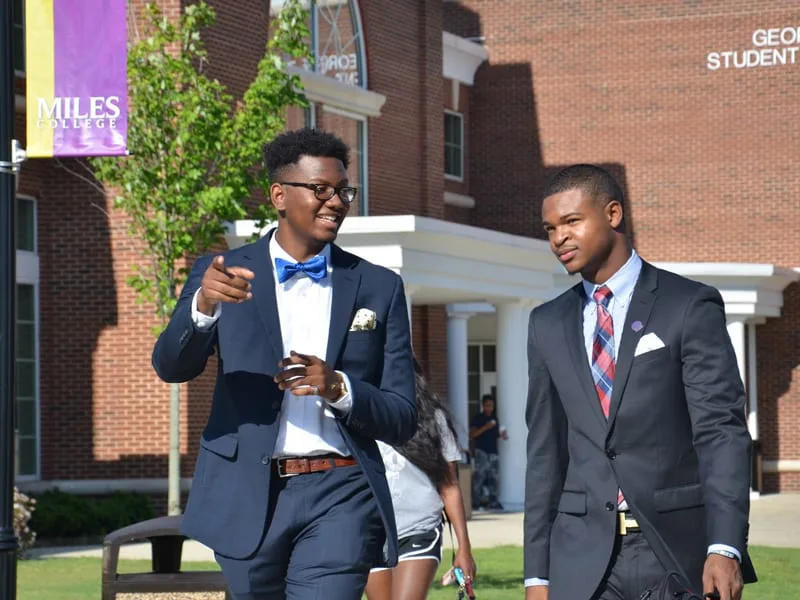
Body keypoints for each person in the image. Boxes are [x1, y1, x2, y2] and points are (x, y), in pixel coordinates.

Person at [152, 128, 417, 600]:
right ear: (279, 194)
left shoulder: (378, 286)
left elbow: (402, 415)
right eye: (320, 190)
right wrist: (203, 308)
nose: (335, 202)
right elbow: (172, 366)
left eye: (343, 191)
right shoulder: (222, 272)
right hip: (246, 492)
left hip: (342, 491)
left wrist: (339, 387)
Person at [523, 164, 757, 600]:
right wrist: (537, 575)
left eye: (572, 221)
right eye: (550, 228)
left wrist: (725, 546)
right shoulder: (546, 324)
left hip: (674, 551)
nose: (559, 238)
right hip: (581, 559)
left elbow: (720, 431)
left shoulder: (687, 305)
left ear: (613, 214)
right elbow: (544, 452)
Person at [365, 358, 475, 600]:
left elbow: (450, 486)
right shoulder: (362, 420)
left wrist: (464, 548)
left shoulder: (433, 420)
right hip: (373, 532)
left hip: (419, 529)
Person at [469, 394, 507, 511]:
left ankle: (493, 501)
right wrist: (486, 426)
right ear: (483, 406)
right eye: (487, 405)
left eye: (491, 406)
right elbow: (473, 434)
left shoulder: (495, 419)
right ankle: (476, 502)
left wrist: (502, 435)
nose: (489, 408)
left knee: (493, 478)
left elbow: (495, 435)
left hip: (493, 452)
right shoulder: (478, 418)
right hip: (481, 452)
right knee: (479, 478)